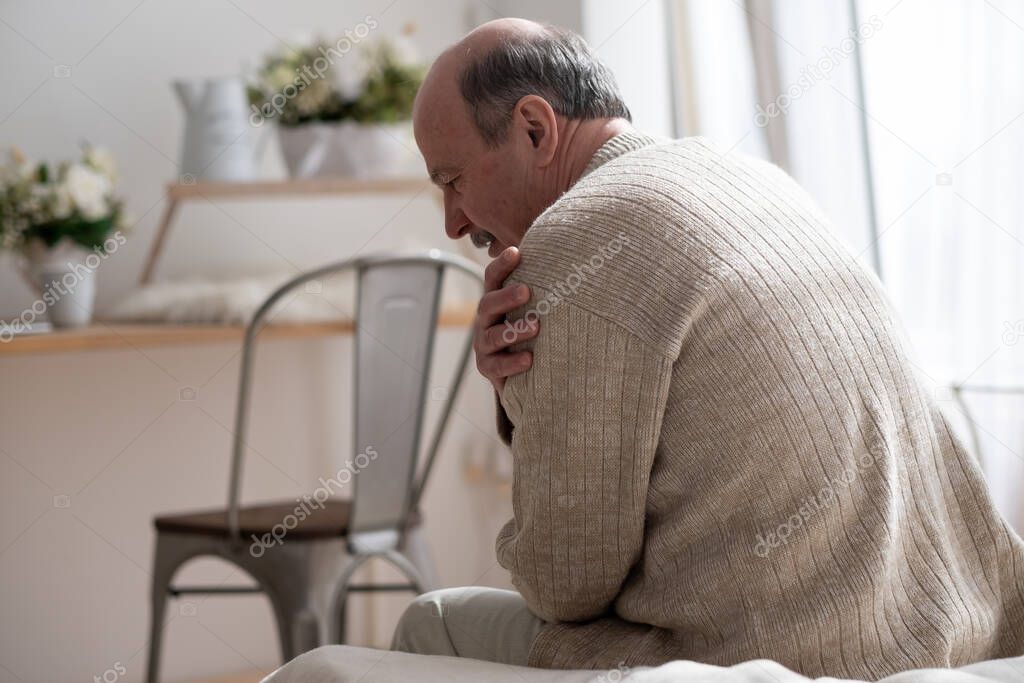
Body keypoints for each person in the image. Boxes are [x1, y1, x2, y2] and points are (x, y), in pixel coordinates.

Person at [393, 17, 1024, 680]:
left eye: (453, 179)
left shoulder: (577, 236)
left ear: (534, 128)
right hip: (950, 630)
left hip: (774, 651)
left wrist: (522, 386)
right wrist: (519, 385)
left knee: (428, 619)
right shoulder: (755, 181)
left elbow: (562, 581)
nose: (453, 220)